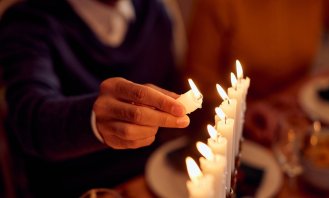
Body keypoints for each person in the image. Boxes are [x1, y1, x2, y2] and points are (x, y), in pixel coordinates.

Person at [0, 0, 190, 197]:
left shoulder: (155, 11)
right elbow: (31, 120)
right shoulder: (29, 21)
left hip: (149, 179)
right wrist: (93, 119)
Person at [185, 0, 329, 146]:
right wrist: (243, 112)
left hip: (297, 123)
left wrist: (308, 86)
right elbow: (197, 87)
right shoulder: (216, 4)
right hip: (239, 134)